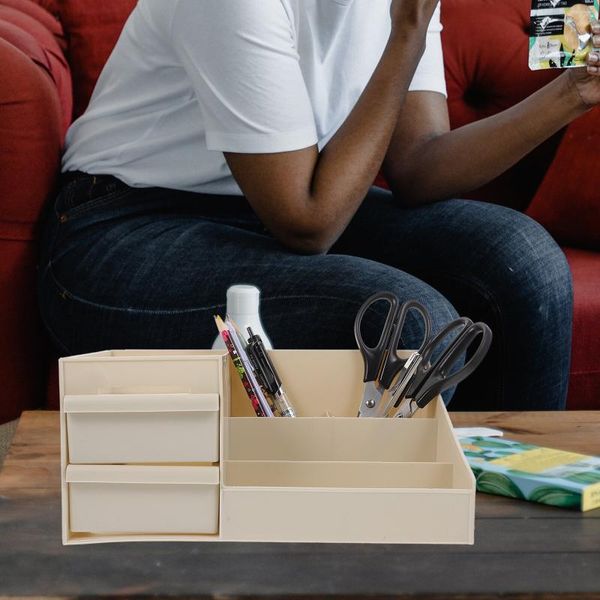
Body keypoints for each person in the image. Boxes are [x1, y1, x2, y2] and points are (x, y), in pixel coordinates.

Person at [37, 0, 600, 410]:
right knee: (408, 325)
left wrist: (571, 91)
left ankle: (514, 536)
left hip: (271, 207)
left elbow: (417, 166)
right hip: (124, 234)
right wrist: (406, 34)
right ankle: (393, 557)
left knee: (522, 260)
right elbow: (309, 224)